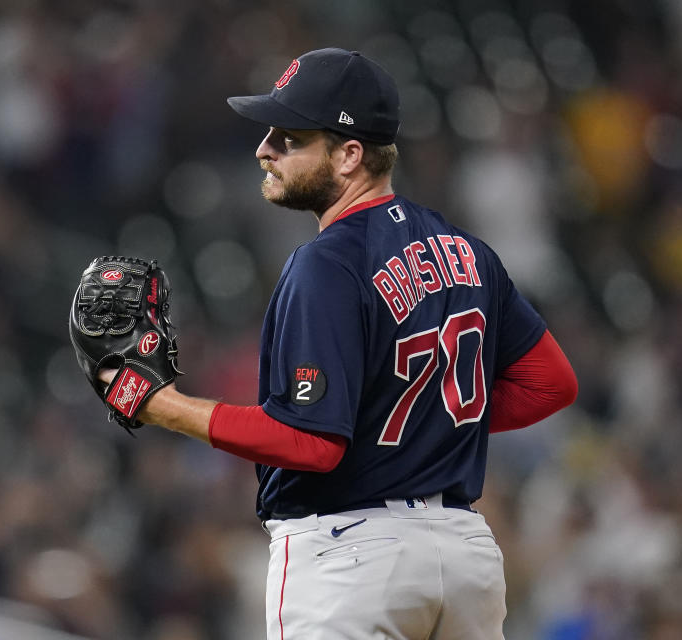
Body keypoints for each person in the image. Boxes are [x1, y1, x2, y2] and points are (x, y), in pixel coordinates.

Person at [102, 47, 578, 639]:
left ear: (350, 154)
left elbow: (311, 443)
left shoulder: (327, 263)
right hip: (464, 557)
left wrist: (160, 405)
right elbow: (552, 383)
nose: (264, 149)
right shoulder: (468, 251)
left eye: (290, 137)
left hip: (350, 558)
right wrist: (423, 432)